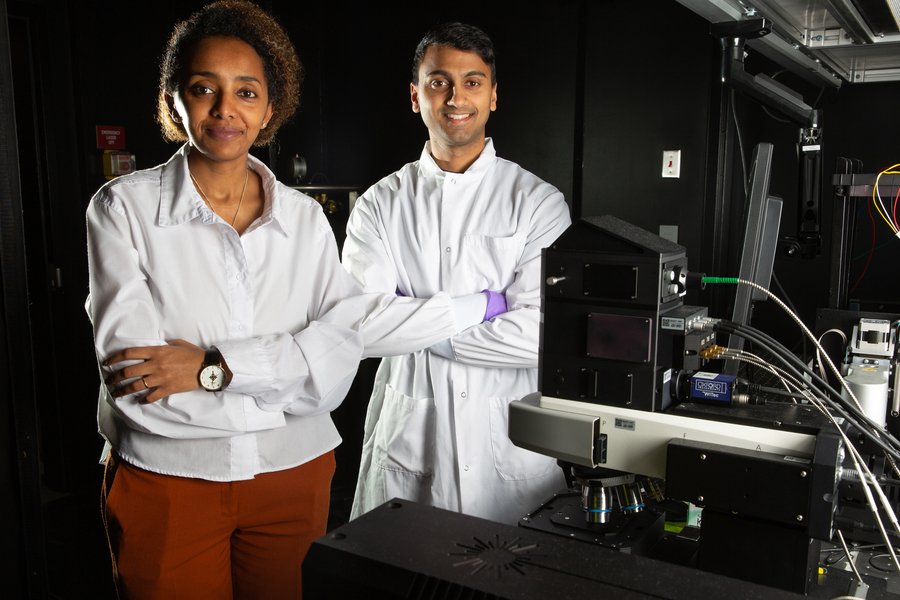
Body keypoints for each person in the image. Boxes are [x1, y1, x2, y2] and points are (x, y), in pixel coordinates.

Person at [86, 2, 367, 597]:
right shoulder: (121, 209)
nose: (225, 109)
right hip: (168, 478)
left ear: (269, 108)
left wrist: (209, 369)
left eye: (246, 92)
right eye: (203, 88)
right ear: (174, 100)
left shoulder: (306, 220)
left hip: (294, 476)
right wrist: (288, 377)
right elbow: (136, 380)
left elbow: (339, 360)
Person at [342, 22, 572, 526]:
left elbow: (543, 334)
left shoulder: (538, 203)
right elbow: (360, 329)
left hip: (510, 451)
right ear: (415, 96)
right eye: (438, 82)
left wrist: (417, 327)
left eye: (472, 82)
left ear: (493, 96)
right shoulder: (380, 205)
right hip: (410, 439)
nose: (456, 98)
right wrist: (484, 306)